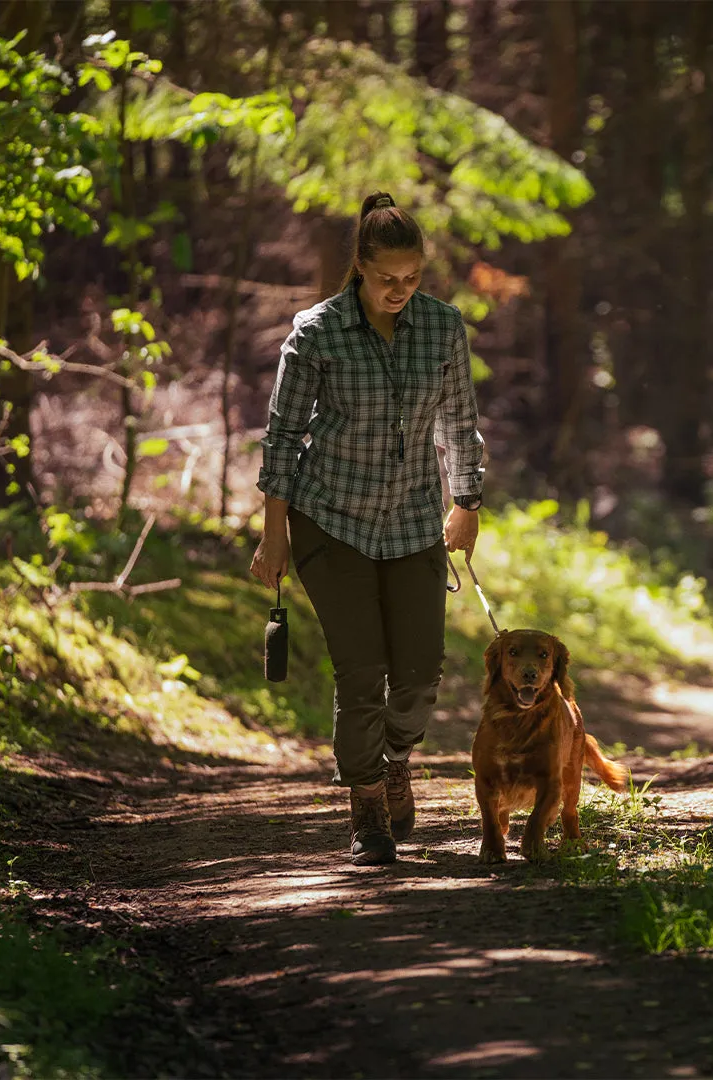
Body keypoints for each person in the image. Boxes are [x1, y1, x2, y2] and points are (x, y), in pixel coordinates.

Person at [249, 191, 485, 866]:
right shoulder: (316, 332)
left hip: (413, 522)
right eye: (388, 280)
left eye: (412, 279)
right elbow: (283, 438)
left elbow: (458, 422)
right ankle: (367, 809)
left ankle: (397, 759)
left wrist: (465, 503)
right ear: (360, 265)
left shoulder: (443, 328)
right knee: (362, 673)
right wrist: (275, 535)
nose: (400, 291)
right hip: (330, 521)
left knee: (418, 676)